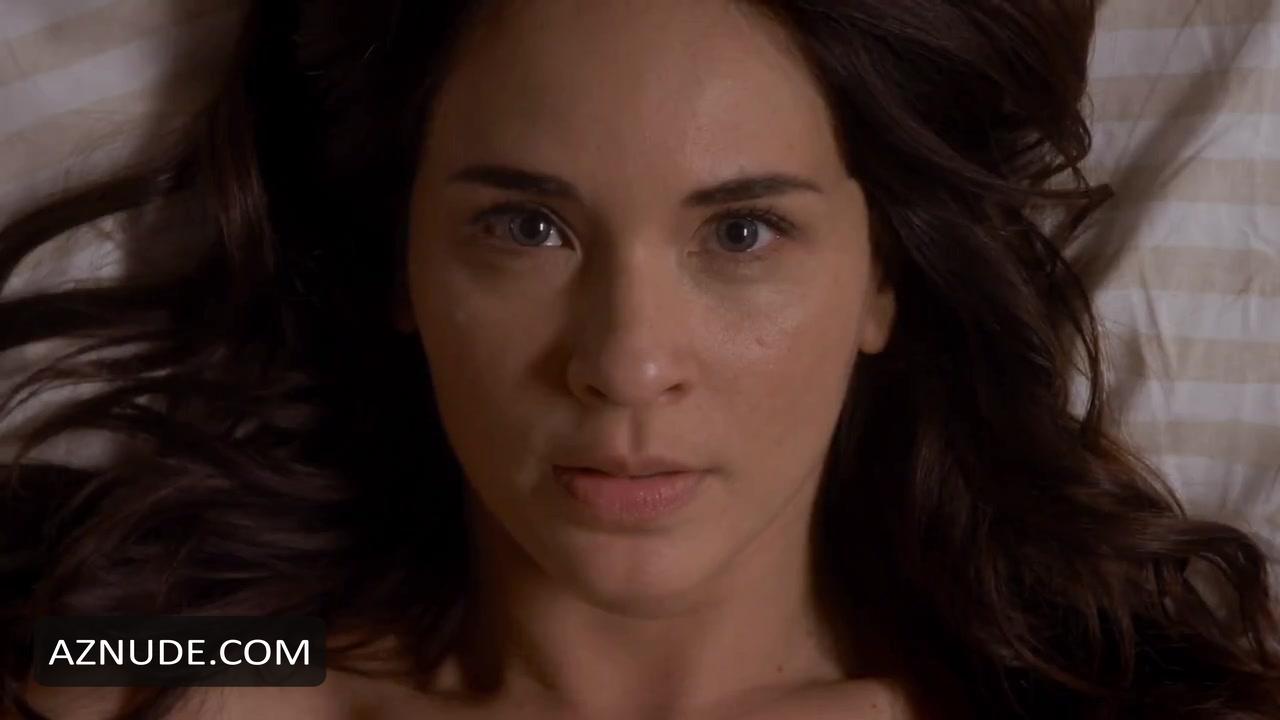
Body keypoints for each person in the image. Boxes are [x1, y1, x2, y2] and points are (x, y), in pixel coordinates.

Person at [2, 1, 1277, 718]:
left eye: (741, 232)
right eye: (524, 228)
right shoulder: (208, 677)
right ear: (401, 265)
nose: (623, 362)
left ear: (881, 280)